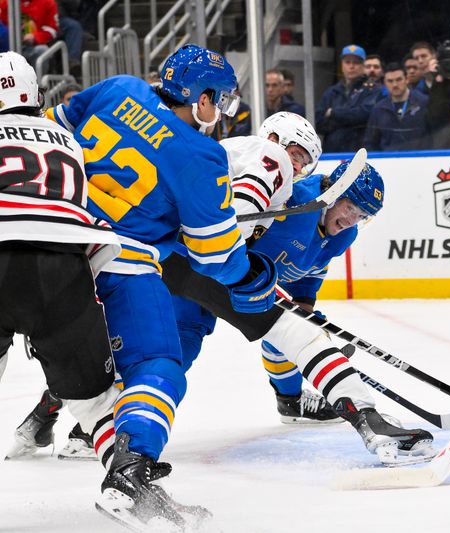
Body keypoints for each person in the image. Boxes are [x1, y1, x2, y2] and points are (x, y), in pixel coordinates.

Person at [47, 43, 279, 530]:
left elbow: (50, 134)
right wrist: (252, 275)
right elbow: (215, 257)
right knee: (158, 368)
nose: (222, 110)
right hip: (117, 263)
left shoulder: (118, 88)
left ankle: (124, 472)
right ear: (199, 97)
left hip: (52, 245)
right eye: (220, 98)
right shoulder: (202, 154)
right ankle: (129, 475)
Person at [159, 156, 436, 464]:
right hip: (210, 269)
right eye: (350, 208)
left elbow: (312, 271)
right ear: (334, 191)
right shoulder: (293, 199)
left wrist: (305, 304)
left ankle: (291, 401)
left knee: (295, 327)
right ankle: (115, 417)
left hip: (248, 284)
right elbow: (237, 222)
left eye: (362, 215)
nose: (353, 219)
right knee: (177, 349)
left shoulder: (345, 233)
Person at [0, 50, 120, 493]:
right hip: (63, 261)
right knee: (96, 401)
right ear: (34, 91)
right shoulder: (65, 138)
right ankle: (128, 482)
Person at [315, 44, 381, 153]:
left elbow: (364, 115)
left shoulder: (372, 90)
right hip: (332, 153)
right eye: (347, 62)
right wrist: (349, 119)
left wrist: (333, 113)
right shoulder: (332, 92)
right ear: (342, 65)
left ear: (363, 66)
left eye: (356, 62)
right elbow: (318, 121)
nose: (351, 66)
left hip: (360, 153)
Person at [364, 62, 429, 151]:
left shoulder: (424, 102)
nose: (395, 85)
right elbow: (370, 142)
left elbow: (434, 134)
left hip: (420, 159)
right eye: (390, 81)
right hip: (388, 161)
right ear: (385, 83)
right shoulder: (378, 109)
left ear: (407, 79)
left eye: (398, 80)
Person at [0, 0, 59, 66]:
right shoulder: (5, 2)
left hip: (31, 47)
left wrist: (35, 37)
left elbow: (52, 30)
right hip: (7, 46)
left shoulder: (48, 2)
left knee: (42, 50)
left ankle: (36, 76)